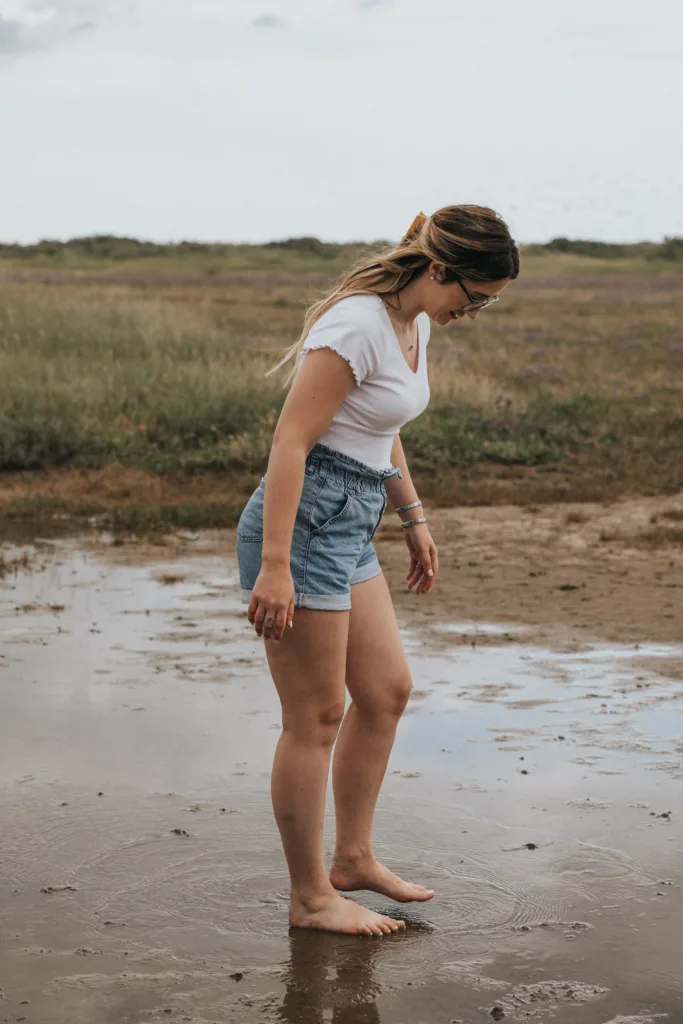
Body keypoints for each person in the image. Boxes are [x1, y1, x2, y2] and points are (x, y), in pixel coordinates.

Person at [236, 205, 519, 936]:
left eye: (487, 302)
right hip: (303, 523)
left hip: (352, 519)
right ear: (438, 270)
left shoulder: (414, 322)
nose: (475, 312)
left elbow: (380, 429)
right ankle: (309, 898)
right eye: (474, 296)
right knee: (316, 716)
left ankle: (353, 859)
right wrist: (275, 565)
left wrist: (412, 516)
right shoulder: (356, 325)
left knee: (386, 692)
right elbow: (290, 444)